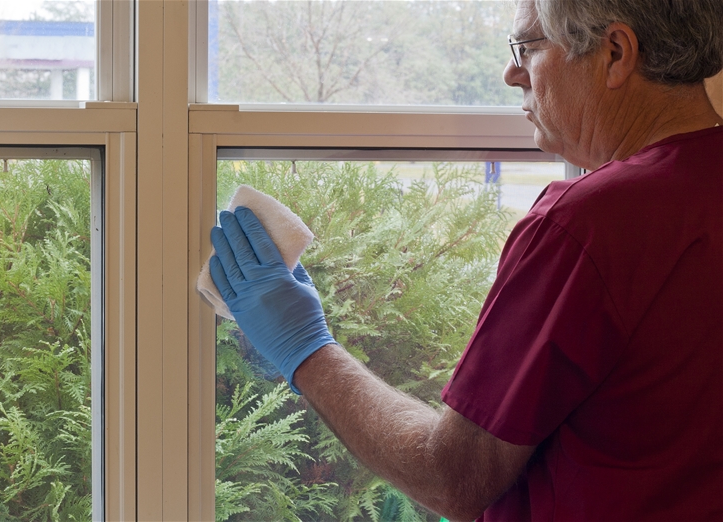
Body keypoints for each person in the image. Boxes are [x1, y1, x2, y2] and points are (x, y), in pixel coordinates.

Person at [209, 0, 723, 519]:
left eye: (528, 47)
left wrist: (305, 347)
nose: (510, 73)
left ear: (615, 52)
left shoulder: (590, 225)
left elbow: (453, 475)